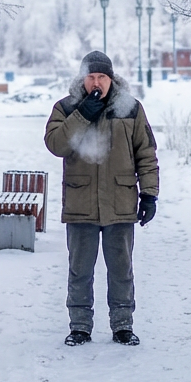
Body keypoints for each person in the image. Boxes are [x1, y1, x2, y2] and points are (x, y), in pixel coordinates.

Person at [44, 50, 159, 346]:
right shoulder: (67, 107)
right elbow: (56, 145)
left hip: (120, 204)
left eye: (102, 77)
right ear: (83, 78)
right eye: (91, 76)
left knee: (121, 269)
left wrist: (149, 194)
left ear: (111, 78)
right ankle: (80, 326)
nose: (96, 82)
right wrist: (83, 115)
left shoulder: (130, 109)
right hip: (80, 203)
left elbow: (145, 153)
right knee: (79, 269)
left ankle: (122, 325)